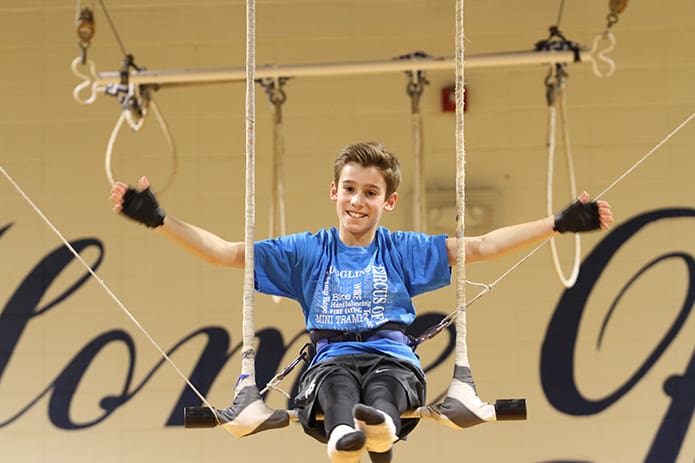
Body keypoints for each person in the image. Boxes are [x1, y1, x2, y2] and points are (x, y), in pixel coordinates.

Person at [110, 142, 614, 463]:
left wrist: (556, 224)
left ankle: (381, 430)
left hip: (392, 355)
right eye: (349, 189)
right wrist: (158, 220)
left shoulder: (402, 249)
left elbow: (480, 247)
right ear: (334, 191)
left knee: (389, 383)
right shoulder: (307, 250)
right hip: (330, 358)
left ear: (387, 201)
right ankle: (346, 439)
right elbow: (225, 253)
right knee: (335, 383)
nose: (357, 201)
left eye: (370, 193)